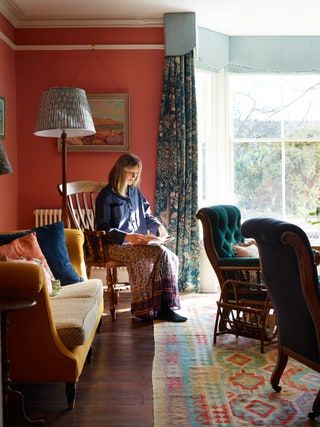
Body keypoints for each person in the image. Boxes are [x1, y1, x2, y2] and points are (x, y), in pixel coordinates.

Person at [95, 153, 187, 322]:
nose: (135, 176)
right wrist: (127, 237)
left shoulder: (135, 192)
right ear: (120, 171)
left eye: (137, 173)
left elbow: (147, 215)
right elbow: (102, 229)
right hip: (114, 246)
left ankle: (163, 307)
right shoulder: (106, 196)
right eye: (131, 172)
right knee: (146, 258)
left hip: (137, 244)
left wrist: (158, 227)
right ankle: (144, 309)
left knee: (169, 256)